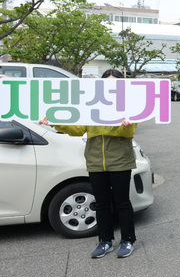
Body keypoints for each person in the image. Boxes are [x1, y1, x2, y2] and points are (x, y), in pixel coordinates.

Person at [40, 68, 138, 259]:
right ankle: (105, 241)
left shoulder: (129, 105)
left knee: (122, 202)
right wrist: (53, 121)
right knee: (101, 203)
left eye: (115, 84)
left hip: (120, 161)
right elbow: (77, 129)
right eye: (107, 83)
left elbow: (128, 133)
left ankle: (127, 240)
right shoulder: (91, 105)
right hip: (94, 161)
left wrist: (122, 125)